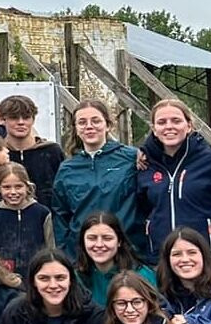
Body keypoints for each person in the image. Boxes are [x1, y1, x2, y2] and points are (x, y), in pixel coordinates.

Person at [136, 98, 211, 261]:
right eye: (162, 122)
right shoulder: (145, 165)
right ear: (154, 129)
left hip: (209, 257)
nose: (169, 126)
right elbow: (142, 209)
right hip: (162, 258)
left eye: (176, 121)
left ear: (189, 126)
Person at [51, 99, 143, 261]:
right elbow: (60, 214)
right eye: (82, 122)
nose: (89, 126)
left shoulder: (132, 158)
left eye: (96, 121)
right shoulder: (67, 168)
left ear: (108, 125)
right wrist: (66, 253)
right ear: (76, 128)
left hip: (126, 251)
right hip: (81, 255)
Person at [0, 163, 54, 276]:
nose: (13, 192)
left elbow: (50, 246)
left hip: (36, 274)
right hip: (4, 276)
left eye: (18, 186)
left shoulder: (42, 213)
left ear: (27, 186)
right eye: (7, 187)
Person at [74, 211, 155, 309]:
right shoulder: (74, 277)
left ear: (119, 241)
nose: (99, 244)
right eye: (92, 238)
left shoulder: (142, 275)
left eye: (107, 238)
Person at [0, 95, 65, 204]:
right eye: (14, 118)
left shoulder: (51, 151)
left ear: (33, 120)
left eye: (26, 117)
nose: (21, 122)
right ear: (3, 120)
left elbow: (63, 190)